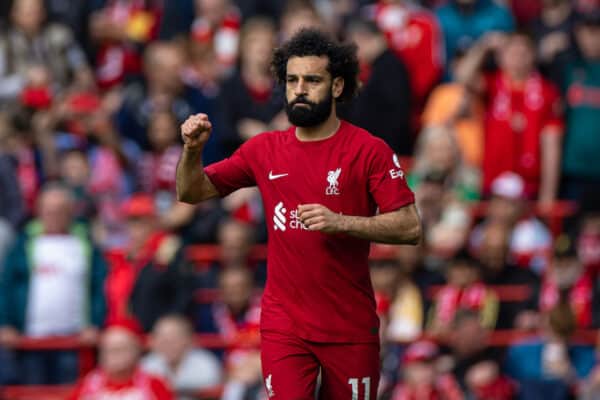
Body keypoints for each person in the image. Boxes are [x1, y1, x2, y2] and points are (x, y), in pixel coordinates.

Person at [176, 28, 421, 398]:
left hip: (349, 326)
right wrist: (192, 151)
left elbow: (409, 226)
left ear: (337, 87)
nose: (299, 89)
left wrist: (341, 222)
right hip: (284, 325)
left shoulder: (368, 150)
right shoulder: (264, 149)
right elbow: (191, 191)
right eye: (292, 80)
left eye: (312, 80)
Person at [0, 183, 107, 384]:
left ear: (70, 212)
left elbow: (98, 286)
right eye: (48, 210)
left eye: (60, 210)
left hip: (73, 341)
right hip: (30, 340)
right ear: (38, 211)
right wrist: (5, 324)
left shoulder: (84, 242)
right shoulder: (23, 243)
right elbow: (5, 286)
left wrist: (95, 323)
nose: (54, 215)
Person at [69, 317, 174, 400]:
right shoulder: (88, 386)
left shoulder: (154, 385)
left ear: (137, 351)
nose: (114, 356)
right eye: (109, 350)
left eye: (121, 349)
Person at [141, 314, 223, 396]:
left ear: (189, 340)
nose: (167, 344)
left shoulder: (205, 364)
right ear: (153, 341)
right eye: (162, 338)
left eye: (174, 338)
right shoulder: (147, 365)